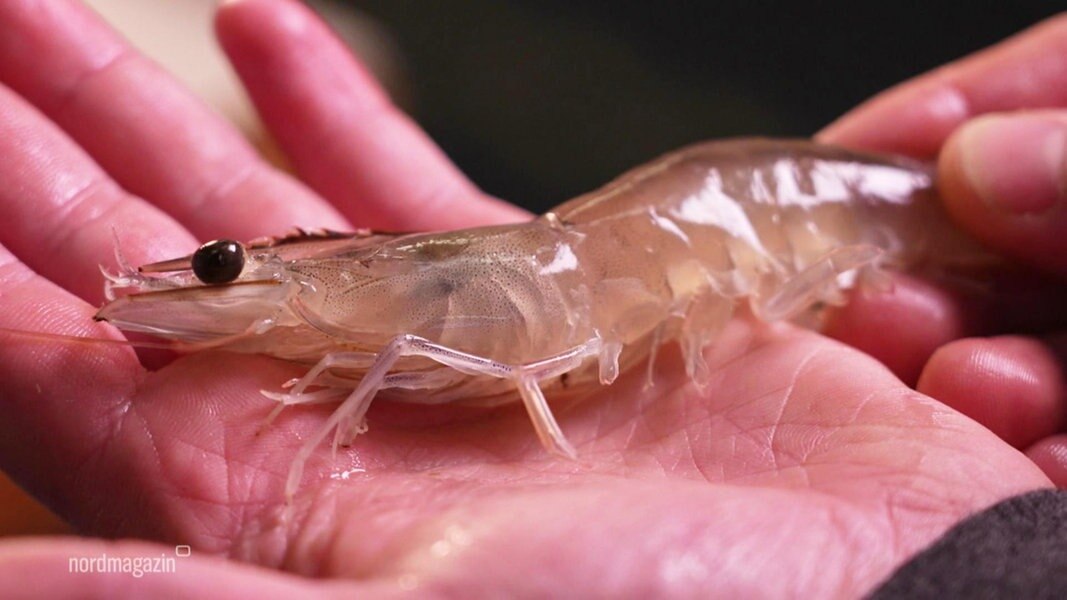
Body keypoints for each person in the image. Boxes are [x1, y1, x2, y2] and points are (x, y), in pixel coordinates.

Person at [0, 0, 1062, 596]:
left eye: (228, 262)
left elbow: (492, 359)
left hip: (808, 206)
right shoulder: (356, 284)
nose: (232, 278)